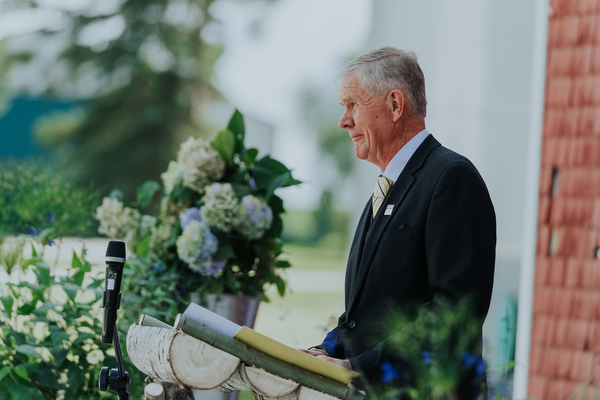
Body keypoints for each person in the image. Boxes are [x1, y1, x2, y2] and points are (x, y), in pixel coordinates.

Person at [302, 47, 496, 397]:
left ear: (394, 104)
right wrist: (325, 353)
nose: (343, 120)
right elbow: (363, 316)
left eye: (353, 105)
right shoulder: (383, 190)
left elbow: (454, 313)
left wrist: (359, 367)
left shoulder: (452, 178)